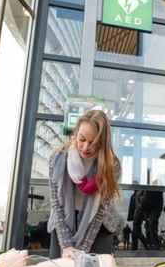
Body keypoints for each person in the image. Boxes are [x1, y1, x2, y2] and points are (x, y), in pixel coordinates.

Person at [47, 110, 121, 259]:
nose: (86, 147)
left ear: (103, 142)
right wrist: (66, 245)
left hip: (98, 228)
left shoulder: (112, 166)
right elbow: (56, 204)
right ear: (75, 135)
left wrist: (82, 251)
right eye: (82, 139)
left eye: (93, 142)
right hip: (63, 225)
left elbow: (100, 211)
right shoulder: (57, 159)